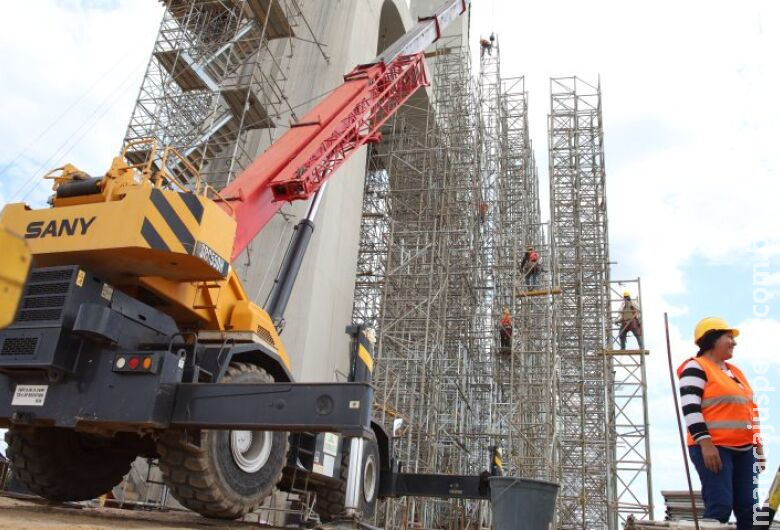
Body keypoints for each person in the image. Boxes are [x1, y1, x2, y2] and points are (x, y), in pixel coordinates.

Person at [677, 317, 766, 530]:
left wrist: (758, 447)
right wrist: (705, 444)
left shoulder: (735, 372)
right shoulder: (695, 367)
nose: (734, 342)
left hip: (745, 450)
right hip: (714, 449)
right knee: (720, 506)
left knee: (749, 508)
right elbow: (690, 408)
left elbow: (749, 411)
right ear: (712, 339)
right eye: (729, 337)